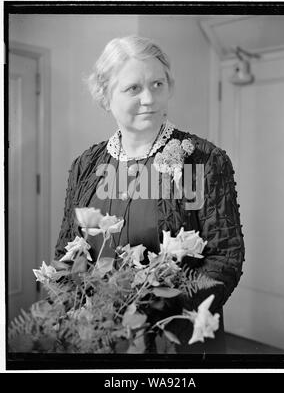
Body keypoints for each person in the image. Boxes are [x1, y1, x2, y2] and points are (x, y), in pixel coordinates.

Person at [55, 35, 245, 354]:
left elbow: (225, 257)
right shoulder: (85, 166)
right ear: (105, 95)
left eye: (158, 84)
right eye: (133, 88)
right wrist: (73, 313)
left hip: (176, 339)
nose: (149, 99)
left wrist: (150, 315)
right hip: (98, 340)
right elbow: (66, 250)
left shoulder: (203, 160)